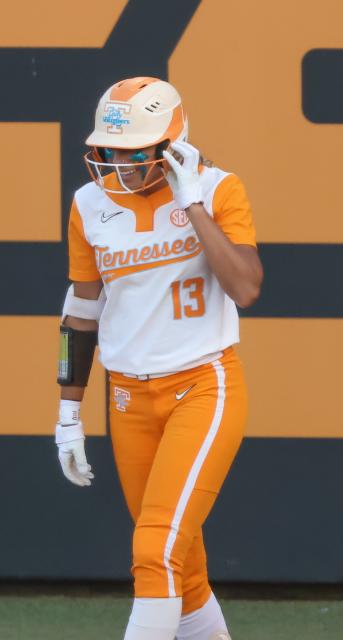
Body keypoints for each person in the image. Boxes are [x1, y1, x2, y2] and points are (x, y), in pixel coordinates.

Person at [54, 76, 262, 640]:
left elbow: (246, 288)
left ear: (172, 144)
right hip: (126, 397)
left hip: (203, 383)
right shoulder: (88, 203)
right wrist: (68, 413)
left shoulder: (217, 189)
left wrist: (192, 202)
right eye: (109, 150)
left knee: (155, 548)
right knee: (183, 567)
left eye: (133, 151)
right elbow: (80, 313)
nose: (116, 164)